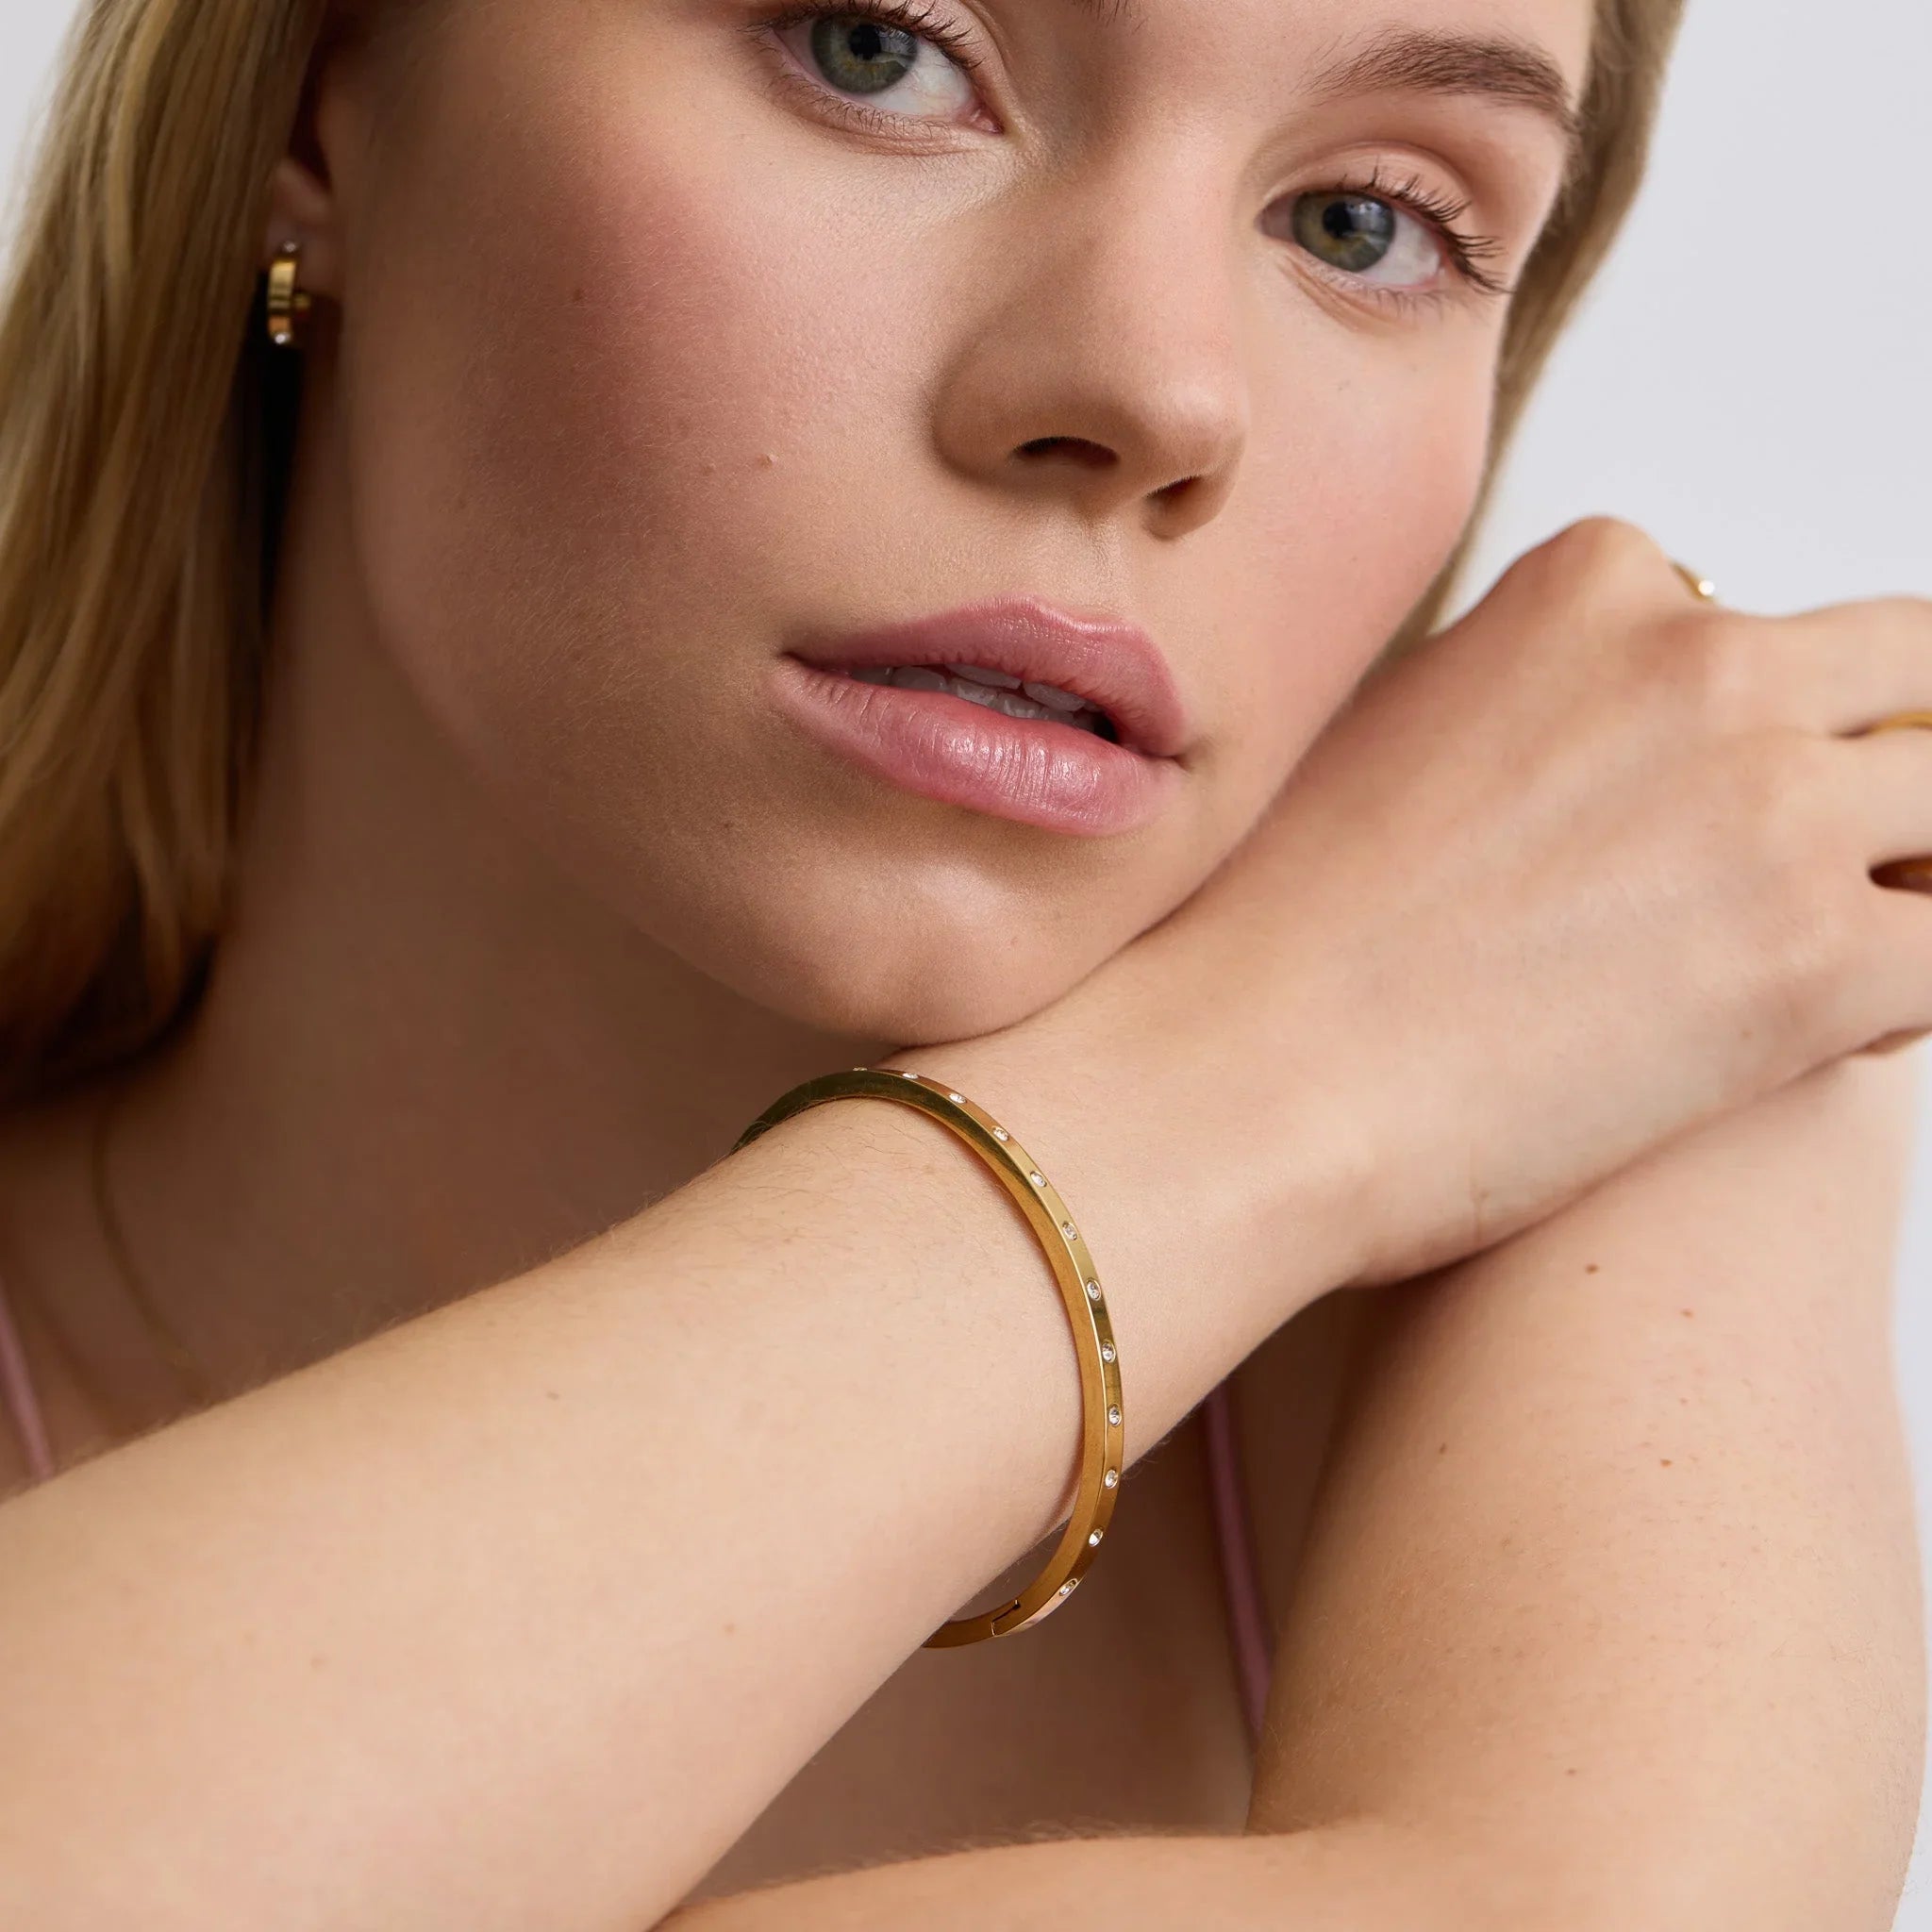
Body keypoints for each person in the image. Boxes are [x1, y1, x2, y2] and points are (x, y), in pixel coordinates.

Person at [0, 0, 1926, 1924]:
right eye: (875, 50)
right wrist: (1256, 1089)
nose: (1156, 393)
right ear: (322, 98)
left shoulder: (1614, 1120)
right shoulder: (1458, 1054)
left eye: (1364, 221)